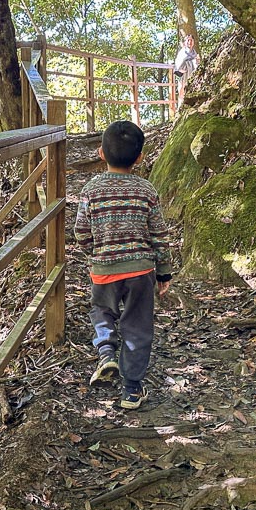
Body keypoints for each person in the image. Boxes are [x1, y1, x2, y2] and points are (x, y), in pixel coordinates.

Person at [74, 121, 175, 410]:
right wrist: (163, 271)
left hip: (104, 269)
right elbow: (158, 233)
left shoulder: (91, 190)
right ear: (140, 158)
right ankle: (131, 390)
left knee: (102, 310)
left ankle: (106, 353)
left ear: (101, 153)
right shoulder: (146, 189)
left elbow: (81, 232)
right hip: (141, 270)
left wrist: (95, 254)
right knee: (138, 325)